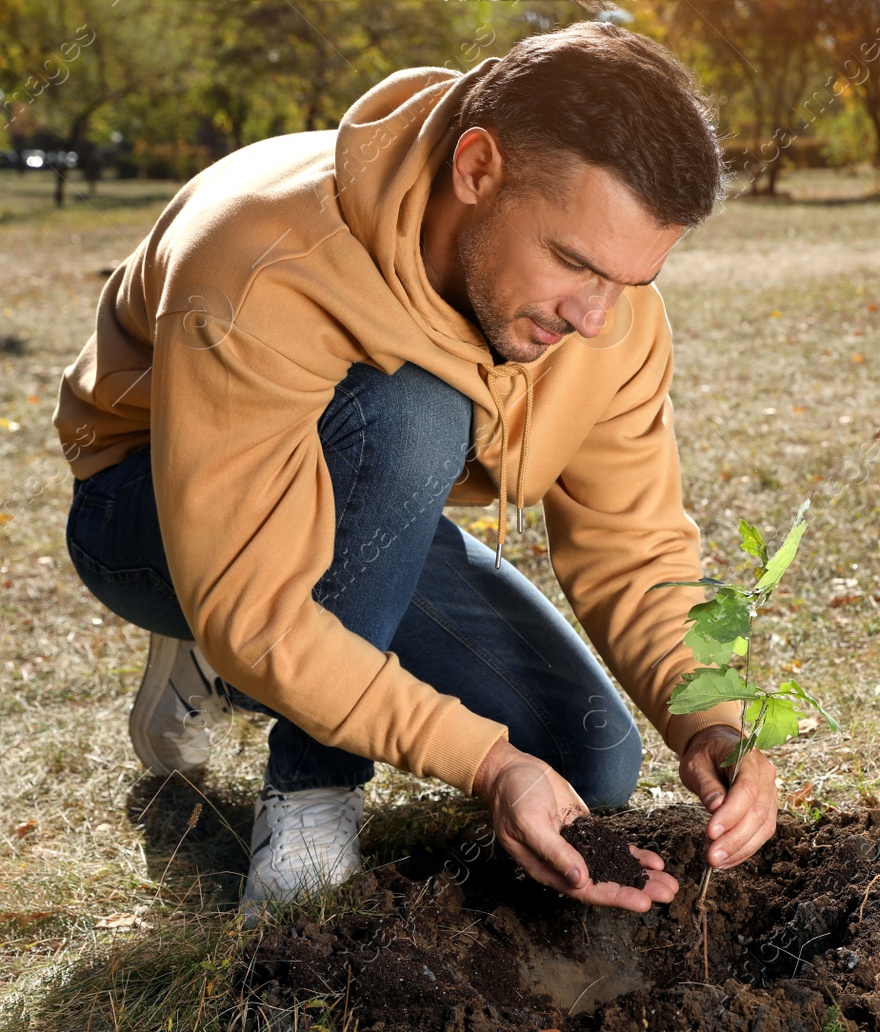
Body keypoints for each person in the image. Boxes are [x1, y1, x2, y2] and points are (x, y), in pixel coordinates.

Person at [51, 22, 779, 922]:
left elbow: (633, 545)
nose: (595, 318)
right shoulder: (263, 255)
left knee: (591, 760)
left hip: (359, 507)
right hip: (150, 509)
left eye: (630, 280)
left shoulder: (610, 317)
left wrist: (708, 713)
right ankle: (311, 797)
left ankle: (234, 671)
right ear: (477, 169)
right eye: (576, 264)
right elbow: (255, 610)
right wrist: (479, 759)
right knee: (413, 409)